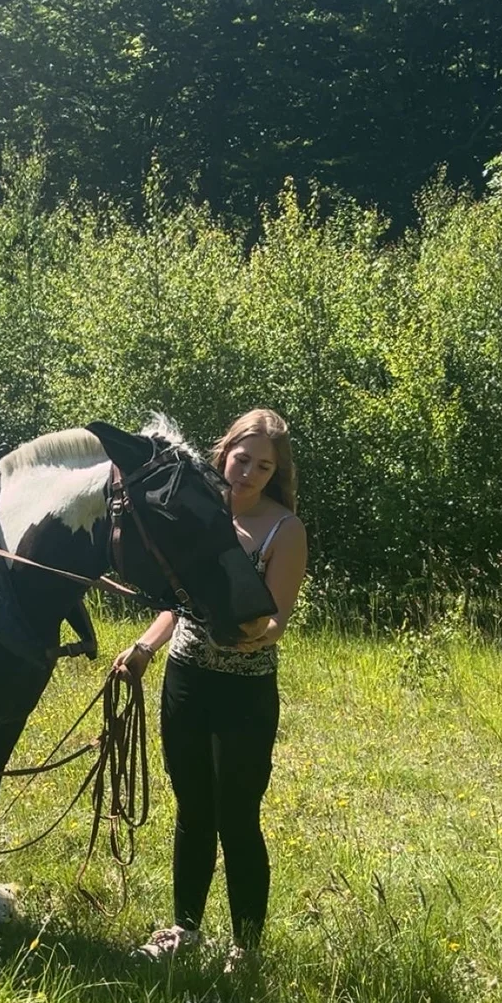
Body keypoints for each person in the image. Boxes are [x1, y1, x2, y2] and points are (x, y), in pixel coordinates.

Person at [115, 410, 307, 972]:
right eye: (241, 459)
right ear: (224, 454)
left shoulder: (283, 530)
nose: (247, 472)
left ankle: (246, 946)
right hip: (186, 681)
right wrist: (145, 649)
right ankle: (184, 928)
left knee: (237, 816)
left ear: (275, 474)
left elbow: (276, 621)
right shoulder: (201, 512)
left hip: (244, 692)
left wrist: (247, 632)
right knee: (192, 809)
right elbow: (175, 603)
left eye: (262, 466)